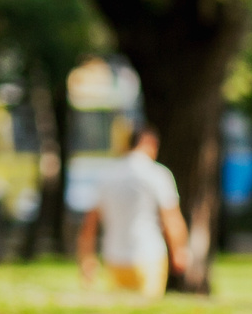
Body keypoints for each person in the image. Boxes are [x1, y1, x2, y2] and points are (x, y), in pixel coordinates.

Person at [78, 125, 188, 295]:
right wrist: (179, 250)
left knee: (121, 313)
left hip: (113, 256)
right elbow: (171, 218)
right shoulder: (157, 174)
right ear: (149, 143)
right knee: (148, 313)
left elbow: (90, 223)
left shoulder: (107, 175)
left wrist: (87, 258)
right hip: (149, 254)